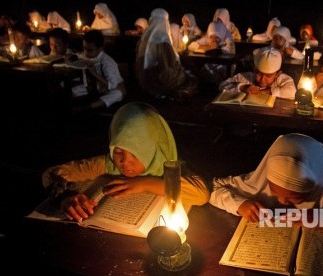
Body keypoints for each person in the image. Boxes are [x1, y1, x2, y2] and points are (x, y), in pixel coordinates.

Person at [209, 133, 323, 242]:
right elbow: (215, 189)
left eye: (294, 198)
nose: (282, 201)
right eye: (274, 191)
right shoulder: (258, 182)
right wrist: (240, 204)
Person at [42, 102, 210, 222]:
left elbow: (201, 194)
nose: (124, 162)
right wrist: (65, 197)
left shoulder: (170, 166)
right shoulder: (108, 164)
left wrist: (145, 183)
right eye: (118, 151)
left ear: (152, 148)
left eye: (136, 153)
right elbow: (53, 173)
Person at [136, 8, 198, 101]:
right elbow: (169, 64)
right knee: (190, 77)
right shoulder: (163, 39)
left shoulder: (143, 39)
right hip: (160, 78)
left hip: (144, 79)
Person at [71, 30, 125, 113]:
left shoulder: (107, 62)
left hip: (109, 89)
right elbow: (79, 55)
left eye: (90, 50)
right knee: (72, 89)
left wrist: (95, 73)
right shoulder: (86, 55)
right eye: (84, 48)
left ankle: (89, 107)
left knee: (118, 94)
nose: (86, 53)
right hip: (91, 88)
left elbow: (114, 85)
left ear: (100, 48)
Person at [219, 47, 296, 99]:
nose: (262, 80)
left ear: (278, 74)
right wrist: (242, 87)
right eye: (259, 73)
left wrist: (269, 92)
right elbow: (222, 85)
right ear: (254, 69)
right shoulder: (244, 77)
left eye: (268, 76)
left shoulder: (284, 79)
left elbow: (292, 92)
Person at [188, 20, 235, 85]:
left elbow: (228, 50)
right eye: (212, 37)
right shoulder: (208, 37)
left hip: (225, 65)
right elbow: (191, 46)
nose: (213, 39)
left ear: (221, 35)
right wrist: (208, 47)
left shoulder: (228, 37)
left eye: (216, 37)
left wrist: (217, 48)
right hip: (211, 63)